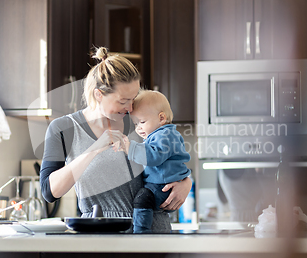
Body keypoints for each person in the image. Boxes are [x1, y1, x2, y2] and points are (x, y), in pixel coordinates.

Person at [39, 47, 192, 233]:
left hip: (153, 235)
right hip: (101, 238)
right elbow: (49, 192)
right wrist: (95, 149)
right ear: (98, 95)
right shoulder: (64, 128)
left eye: (133, 99)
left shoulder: (140, 123)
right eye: (123, 101)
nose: (130, 108)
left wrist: (186, 183)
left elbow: (171, 155)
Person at [121, 90, 191, 233]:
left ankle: (141, 232)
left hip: (162, 186)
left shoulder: (165, 135)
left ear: (161, 118)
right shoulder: (160, 134)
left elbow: (153, 157)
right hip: (163, 184)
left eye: (142, 122)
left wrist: (130, 148)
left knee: (142, 198)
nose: (138, 128)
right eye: (135, 123)